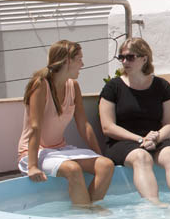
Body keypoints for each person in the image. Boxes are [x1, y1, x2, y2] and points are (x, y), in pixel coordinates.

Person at [17, 40, 114, 206]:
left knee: (106, 165)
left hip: (59, 149)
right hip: (34, 152)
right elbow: (35, 127)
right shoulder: (40, 85)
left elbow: (84, 125)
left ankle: (86, 210)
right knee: (73, 169)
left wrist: (98, 154)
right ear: (68, 61)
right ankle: (84, 214)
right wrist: (32, 166)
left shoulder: (73, 86)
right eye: (79, 59)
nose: (82, 64)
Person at [98, 37, 170, 203]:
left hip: (156, 138)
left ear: (144, 58)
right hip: (122, 141)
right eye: (122, 57)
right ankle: (154, 205)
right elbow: (108, 127)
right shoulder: (113, 87)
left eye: (130, 57)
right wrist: (140, 139)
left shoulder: (162, 87)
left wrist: (155, 138)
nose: (125, 61)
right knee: (141, 157)